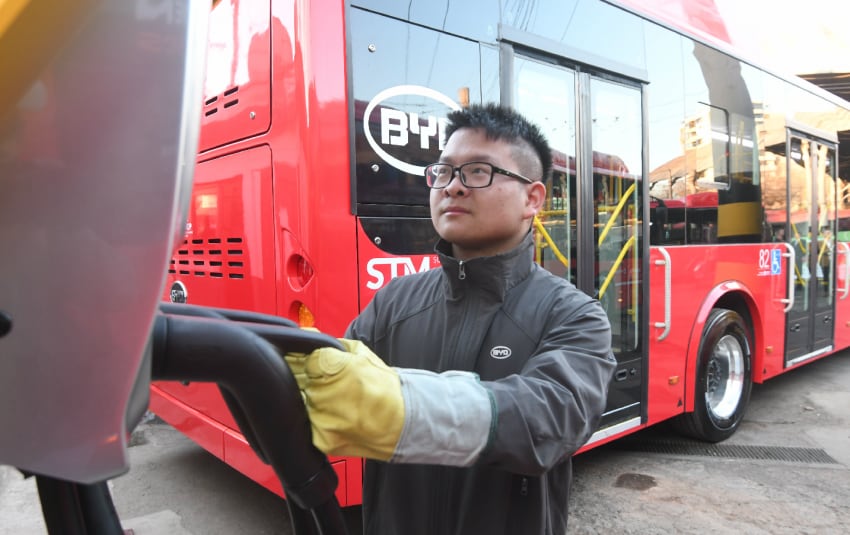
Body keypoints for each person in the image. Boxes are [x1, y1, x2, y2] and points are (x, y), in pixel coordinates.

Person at [287, 103, 616, 535]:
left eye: (478, 171)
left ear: (532, 199)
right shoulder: (394, 302)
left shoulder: (574, 316)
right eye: (443, 172)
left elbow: (552, 420)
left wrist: (399, 408)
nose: (453, 188)